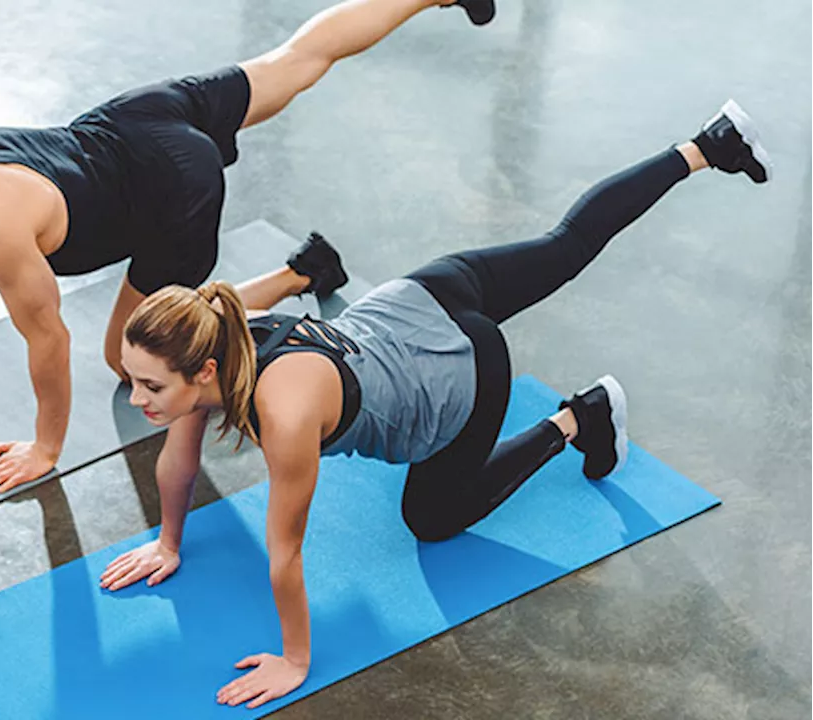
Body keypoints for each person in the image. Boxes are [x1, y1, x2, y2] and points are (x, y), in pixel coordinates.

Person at [101, 100, 770, 709]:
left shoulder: (284, 411)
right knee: (564, 244)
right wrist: (167, 541)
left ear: (204, 372)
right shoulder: (212, 331)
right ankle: (708, 146)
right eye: (135, 382)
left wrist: (296, 659)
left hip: (463, 367)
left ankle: (579, 418)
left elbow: (285, 552)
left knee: (430, 517)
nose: (140, 400)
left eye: (150, 387)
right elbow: (177, 464)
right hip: (422, 296)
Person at [0, 0, 497, 493]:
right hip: (132, 121)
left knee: (129, 358)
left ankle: (297, 275)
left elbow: (49, 339)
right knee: (291, 63)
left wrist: (46, 447)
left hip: (173, 194)